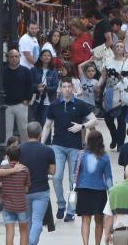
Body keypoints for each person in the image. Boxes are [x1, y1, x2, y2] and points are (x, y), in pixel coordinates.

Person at [41, 78, 98, 222]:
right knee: (56, 177)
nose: (66, 89)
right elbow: (47, 125)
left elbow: (94, 120)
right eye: (64, 86)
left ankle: (71, 210)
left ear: (73, 89)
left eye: (69, 86)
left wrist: (82, 126)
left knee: (74, 180)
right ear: (60, 89)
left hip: (75, 147)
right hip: (58, 145)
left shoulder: (80, 104)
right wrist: (41, 144)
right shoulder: (54, 105)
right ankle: (61, 204)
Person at [19, 121, 56, 245]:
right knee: (37, 221)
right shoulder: (48, 150)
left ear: (27, 133)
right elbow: (53, 171)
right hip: (41, 190)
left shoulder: (19, 149)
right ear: (40, 134)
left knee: (28, 220)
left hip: (24, 190)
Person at [0, 143, 31, 245]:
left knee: (9, 233)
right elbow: (26, 188)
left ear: (8, 157)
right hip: (21, 205)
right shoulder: (25, 169)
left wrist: (0, 197)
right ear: (20, 156)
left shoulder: (3, 168)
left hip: (7, 205)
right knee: (24, 232)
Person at [75, 130, 113, 245]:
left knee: (85, 220)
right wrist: (111, 191)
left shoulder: (81, 155)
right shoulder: (105, 157)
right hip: (99, 190)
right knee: (99, 221)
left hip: (84, 188)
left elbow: (76, 173)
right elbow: (108, 177)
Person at [98, 41, 128, 151]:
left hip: (123, 93)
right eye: (117, 46)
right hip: (109, 92)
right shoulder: (108, 61)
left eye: (121, 46)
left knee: (121, 120)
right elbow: (103, 77)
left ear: (124, 49)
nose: (119, 48)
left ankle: (120, 144)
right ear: (113, 49)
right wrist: (98, 85)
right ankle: (114, 137)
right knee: (108, 119)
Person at [3, 49, 34, 142]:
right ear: (8, 58)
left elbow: (30, 86)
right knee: (7, 130)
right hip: (6, 105)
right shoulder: (3, 71)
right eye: (11, 56)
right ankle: (8, 151)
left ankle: (25, 149)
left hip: (21, 105)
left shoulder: (26, 71)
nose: (14, 58)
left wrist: (27, 99)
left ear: (20, 57)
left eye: (16, 56)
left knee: (24, 129)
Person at [31, 49, 59, 126]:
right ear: (40, 57)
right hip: (36, 100)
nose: (46, 57)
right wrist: (37, 87)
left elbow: (55, 87)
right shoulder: (33, 70)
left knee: (45, 123)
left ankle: (47, 138)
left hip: (48, 101)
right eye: (44, 55)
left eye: (48, 55)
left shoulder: (54, 71)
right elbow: (30, 84)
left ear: (51, 58)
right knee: (35, 123)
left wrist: (45, 88)